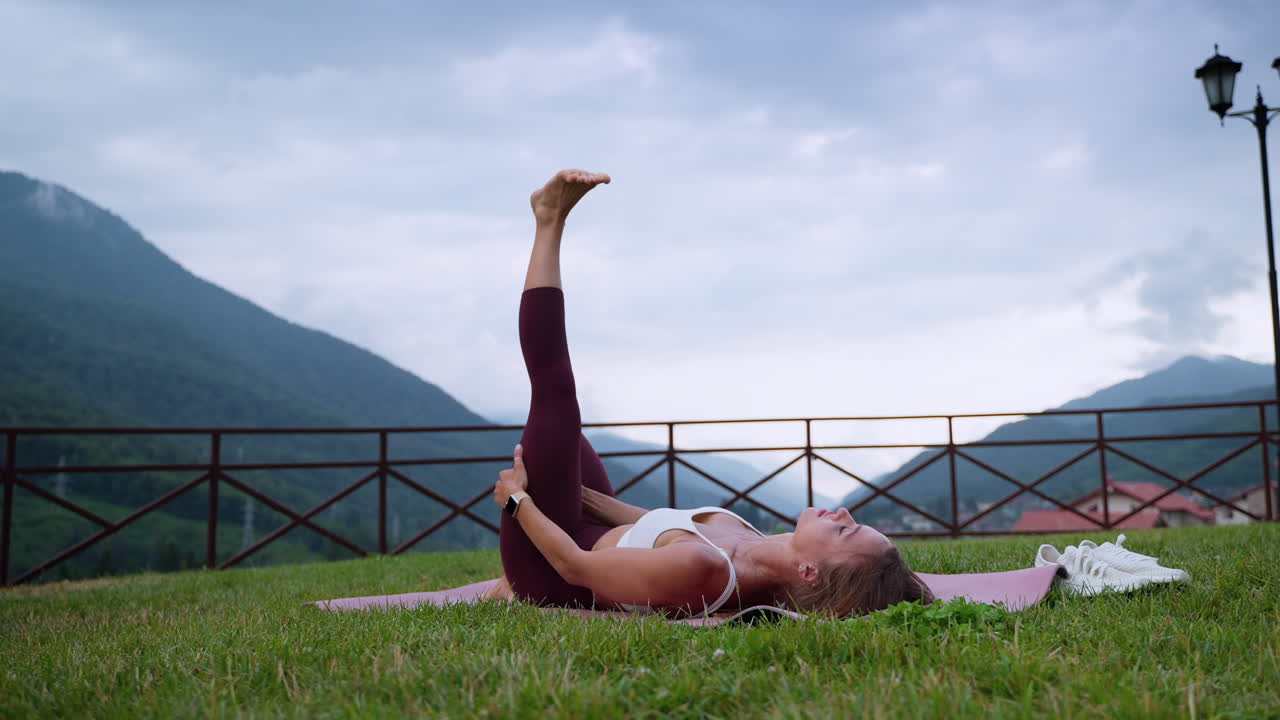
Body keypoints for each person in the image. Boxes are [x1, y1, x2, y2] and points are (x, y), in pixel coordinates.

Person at [489, 169, 933, 618]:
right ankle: (505, 583)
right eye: (855, 524)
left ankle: (549, 219)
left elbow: (572, 566)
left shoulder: (706, 570)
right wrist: (573, 493)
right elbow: (653, 527)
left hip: (549, 571)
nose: (844, 515)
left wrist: (517, 501)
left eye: (844, 534)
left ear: (810, 573)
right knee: (565, 432)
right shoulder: (758, 545)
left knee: (556, 399)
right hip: (579, 527)